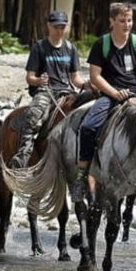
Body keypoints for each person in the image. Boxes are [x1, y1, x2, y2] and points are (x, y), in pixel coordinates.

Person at [69, 2, 136, 202]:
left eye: (129, 20)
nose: (127, 25)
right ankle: (82, 176)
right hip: (109, 95)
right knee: (88, 127)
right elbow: (95, 76)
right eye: (122, 21)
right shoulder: (102, 44)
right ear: (112, 21)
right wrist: (114, 93)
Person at [9, 10, 90, 169]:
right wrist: (38, 80)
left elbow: (75, 78)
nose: (59, 31)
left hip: (67, 91)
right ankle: (24, 153)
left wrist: (86, 85)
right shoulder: (39, 47)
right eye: (56, 27)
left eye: (62, 27)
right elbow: (29, 77)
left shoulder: (71, 49)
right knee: (33, 114)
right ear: (49, 26)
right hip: (46, 91)